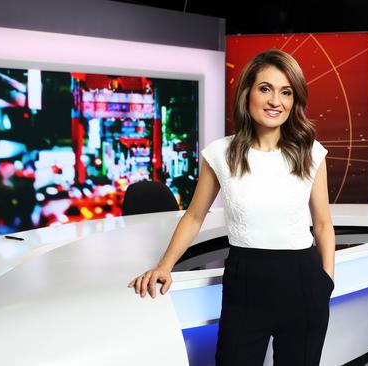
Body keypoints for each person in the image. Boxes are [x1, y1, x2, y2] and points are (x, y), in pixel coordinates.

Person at [127, 49, 335, 365]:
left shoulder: (310, 152)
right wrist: (164, 265)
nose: (275, 101)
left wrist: (326, 281)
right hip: (245, 282)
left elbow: (322, 224)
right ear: (248, 92)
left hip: (303, 283)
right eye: (265, 88)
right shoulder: (220, 153)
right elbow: (195, 216)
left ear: (294, 101)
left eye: (286, 92)